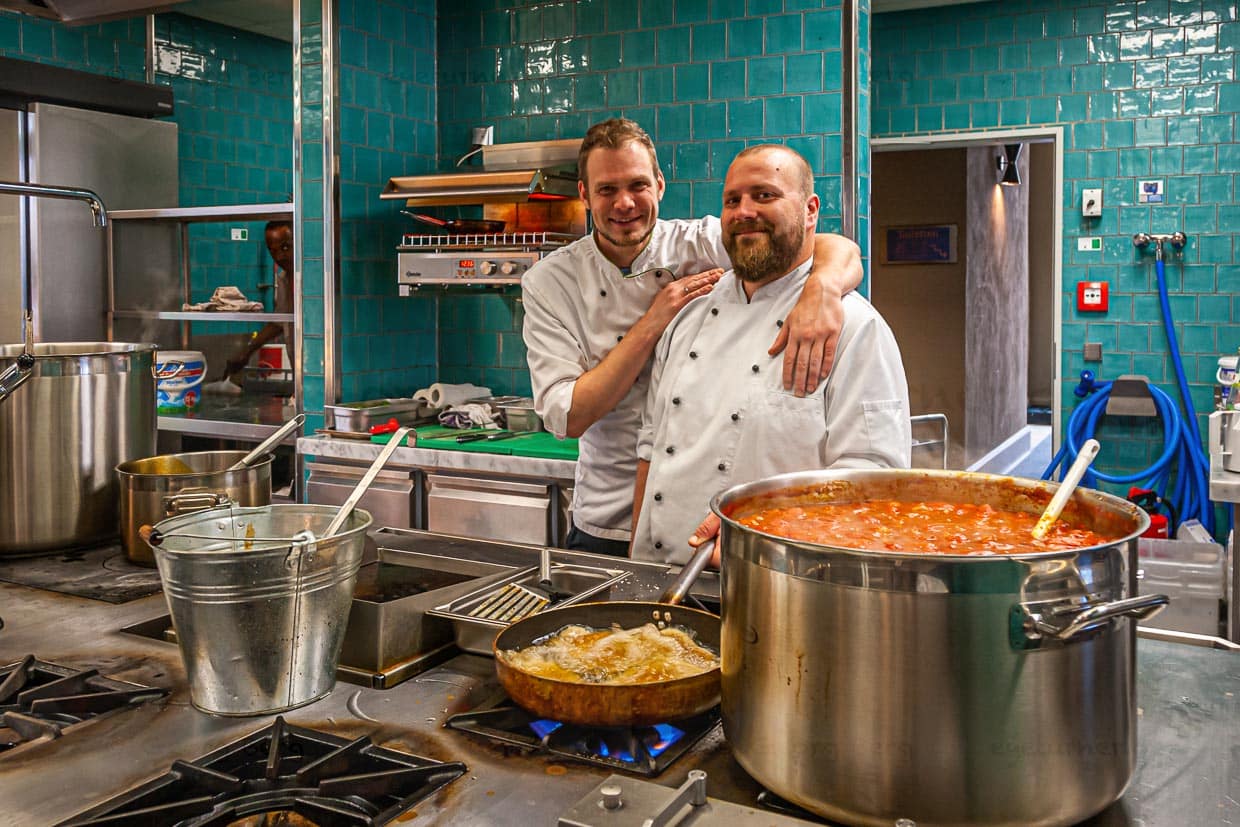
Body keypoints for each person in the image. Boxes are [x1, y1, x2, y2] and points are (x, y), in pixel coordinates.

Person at [522, 119, 864, 556]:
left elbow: (822, 244)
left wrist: (823, 288)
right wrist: (653, 323)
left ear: (660, 185)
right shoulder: (550, 282)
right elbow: (567, 417)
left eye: (638, 185)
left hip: (700, 517)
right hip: (604, 515)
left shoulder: (701, 242)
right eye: (607, 190)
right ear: (585, 195)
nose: (625, 203)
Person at [631, 144, 911, 565]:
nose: (744, 211)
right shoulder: (687, 316)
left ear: (810, 210)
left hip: (781, 586)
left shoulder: (855, 328)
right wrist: (634, 568)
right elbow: (651, 450)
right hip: (663, 578)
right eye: (732, 200)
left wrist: (765, 533)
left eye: (764, 196)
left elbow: (873, 482)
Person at [219, 220, 294, 384]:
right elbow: (280, 322)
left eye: (286, 247)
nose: (279, 256)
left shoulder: (317, 278)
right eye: (273, 251)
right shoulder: (284, 279)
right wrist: (247, 351)